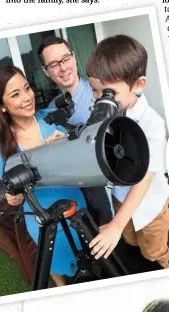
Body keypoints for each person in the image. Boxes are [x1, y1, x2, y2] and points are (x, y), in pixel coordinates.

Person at [0, 64, 87, 287]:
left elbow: (80, 160)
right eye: (15, 94)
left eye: (27, 88)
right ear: (1, 106)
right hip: (43, 218)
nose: (27, 97)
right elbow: (11, 197)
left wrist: (63, 148)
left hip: (75, 203)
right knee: (57, 267)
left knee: (86, 257)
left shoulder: (51, 117)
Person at [86, 35, 169, 269]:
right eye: (94, 91)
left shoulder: (151, 124)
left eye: (107, 93)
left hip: (150, 210)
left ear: (138, 84)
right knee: (132, 249)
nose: (98, 99)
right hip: (121, 203)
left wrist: (115, 225)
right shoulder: (110, 113)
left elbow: (143, 180)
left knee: (154, 255)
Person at [38, 36, 114, 226]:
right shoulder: (51, 110)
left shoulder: (101, 90)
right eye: (54, 64)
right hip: (80, 189)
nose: (63, 68)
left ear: (73, 57)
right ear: (46, 71)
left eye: (65, 59)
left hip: (115, 180)